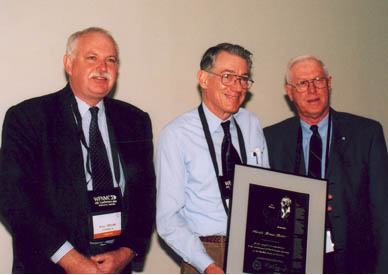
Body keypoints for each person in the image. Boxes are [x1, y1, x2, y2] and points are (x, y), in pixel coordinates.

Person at [0, 27, 156, 273]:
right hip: (49, 264)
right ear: (69, 64)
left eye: (111, 60)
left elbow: (146, 196)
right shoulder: (28, 118)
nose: (103, 67)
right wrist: (69, 258)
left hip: (114, 265)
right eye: (92, 58)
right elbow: (14, 199)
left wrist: (127, 252)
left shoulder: (135, 121)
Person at [263, 55, 388, 273]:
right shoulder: (271, 139)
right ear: (290, 92)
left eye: (318, 80)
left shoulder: (366, 133)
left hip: (355, 262)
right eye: (302, 83)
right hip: (292, 263)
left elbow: (383, 212)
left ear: (329, 84)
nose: (312, 90)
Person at [156, 43, 270, 274]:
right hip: (206, 252)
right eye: (227, 76)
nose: (237, 87)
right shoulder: (177, 134)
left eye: (243, 79)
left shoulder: (251, 124)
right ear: (204, 79)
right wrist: (206, 265)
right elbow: (168, 219)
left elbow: (268, 192)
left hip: (254, 249)